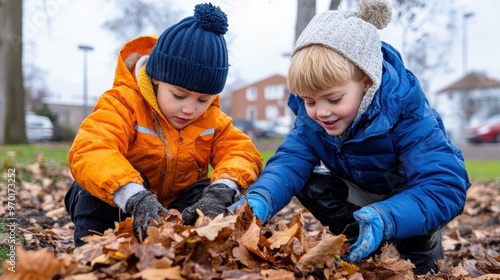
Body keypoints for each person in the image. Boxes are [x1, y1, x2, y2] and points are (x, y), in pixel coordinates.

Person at [230, 0, 470, 274]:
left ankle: (413, 242)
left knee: (416, 269)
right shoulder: (312, 121)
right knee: (304, 179)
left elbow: (444, 187)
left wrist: (387, 217)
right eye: (308, 101)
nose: (321, 112)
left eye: (333, 99)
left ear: (367, 83)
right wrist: (260, 199)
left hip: (407, 199)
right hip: (362, 193)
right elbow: (288, 163)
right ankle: (358, 235)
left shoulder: (409, 115)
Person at [64, 3, 263, 246]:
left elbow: (242, 152)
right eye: (179, 96)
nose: (190, 109)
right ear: (156, 79)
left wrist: (221, 189)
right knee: (92, 191)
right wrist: (134, 197)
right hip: (125, 201)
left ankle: (192, 251)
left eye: (203, 99)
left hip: (179, 206)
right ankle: (92, 251)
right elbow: (91, 149)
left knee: (214, 202)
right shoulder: (123, 104)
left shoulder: (212, 120)